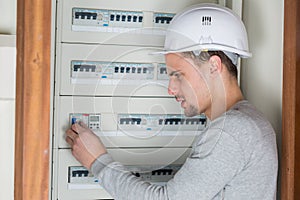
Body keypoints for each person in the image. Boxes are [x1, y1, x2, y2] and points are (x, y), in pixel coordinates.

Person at [66, 3, 278, 199]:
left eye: (178, 74)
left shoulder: (233, 130)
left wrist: (97, 161)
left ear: (214, 66)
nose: (171, 89)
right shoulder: (245, 123)